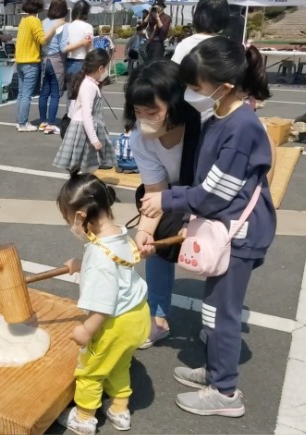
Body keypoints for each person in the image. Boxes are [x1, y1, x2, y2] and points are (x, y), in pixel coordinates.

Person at [140, 36, 275, 416]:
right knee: (214, 310)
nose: (190, 92)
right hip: (228, 230)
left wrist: (166, 199)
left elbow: (214, 193)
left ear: (224, 85)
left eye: (195, 85)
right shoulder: (221, 115)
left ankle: (226, 392)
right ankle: (216, 372)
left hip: (238, 234)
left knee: (221, 313)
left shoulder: (241, 126)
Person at [55, 173, 149, 434]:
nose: (70, 225)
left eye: (68, 219)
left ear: (80, 217)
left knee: (91, 369)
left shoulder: (98, 256)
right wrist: (80, 265)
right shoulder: (118, 234)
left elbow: (104, 304)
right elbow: (115, 272)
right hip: (137, 316)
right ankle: (120, 410)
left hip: (114, 324)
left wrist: (87, 330)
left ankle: (84, 417)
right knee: (119, 363)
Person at [123, 59, 201, 349]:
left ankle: (219, 322)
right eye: (138, 111)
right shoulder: (140, 138)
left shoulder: (204, 128)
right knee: (153, 241)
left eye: (152, 111)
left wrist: (194, 222)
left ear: (176, 103)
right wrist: (143, 232)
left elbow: (213, 190)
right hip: (171, 194)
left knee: (215, 250)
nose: (144, 119)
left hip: (210, 193)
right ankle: (157, 317)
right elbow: (155, 190)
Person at [53, 49, 113, 173]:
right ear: (100, 68)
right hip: (83, 130)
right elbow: (87, 115)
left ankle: (81, 184)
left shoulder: (90, 83)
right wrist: (94, 139)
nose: (107, 71)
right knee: (83, 166)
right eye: (107, 68)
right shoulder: (88, 86)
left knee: (85, 165)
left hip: (85, 129)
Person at [14, 0, 65, 132]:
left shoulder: (23, 20)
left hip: (20, 60)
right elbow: (42, 39)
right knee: (26, 95)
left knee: (21, 94)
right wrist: (54, 28)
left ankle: (19, 121)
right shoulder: (35, 21)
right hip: (31, 61)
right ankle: (23, 123)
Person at [38, 0, 69, 135]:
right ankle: (51, 123)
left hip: (44, 59)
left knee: (44, 94)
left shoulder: (43, 22)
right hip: (57, 61)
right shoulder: (62, 24)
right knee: (55, 95)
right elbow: (63, 47)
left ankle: (43, 121)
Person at [171, 0, 230, 64]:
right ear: (224, 17)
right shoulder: (228, 49)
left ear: (197, 15)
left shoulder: (185, 45)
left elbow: (172, 71)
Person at [64, 1, 94, 94]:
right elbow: (90, 48)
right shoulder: (88, 27)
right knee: (81, 94)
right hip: (82, 62)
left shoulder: (67, 26)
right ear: (86, 12)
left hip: (68, 62)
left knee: (70, 94)